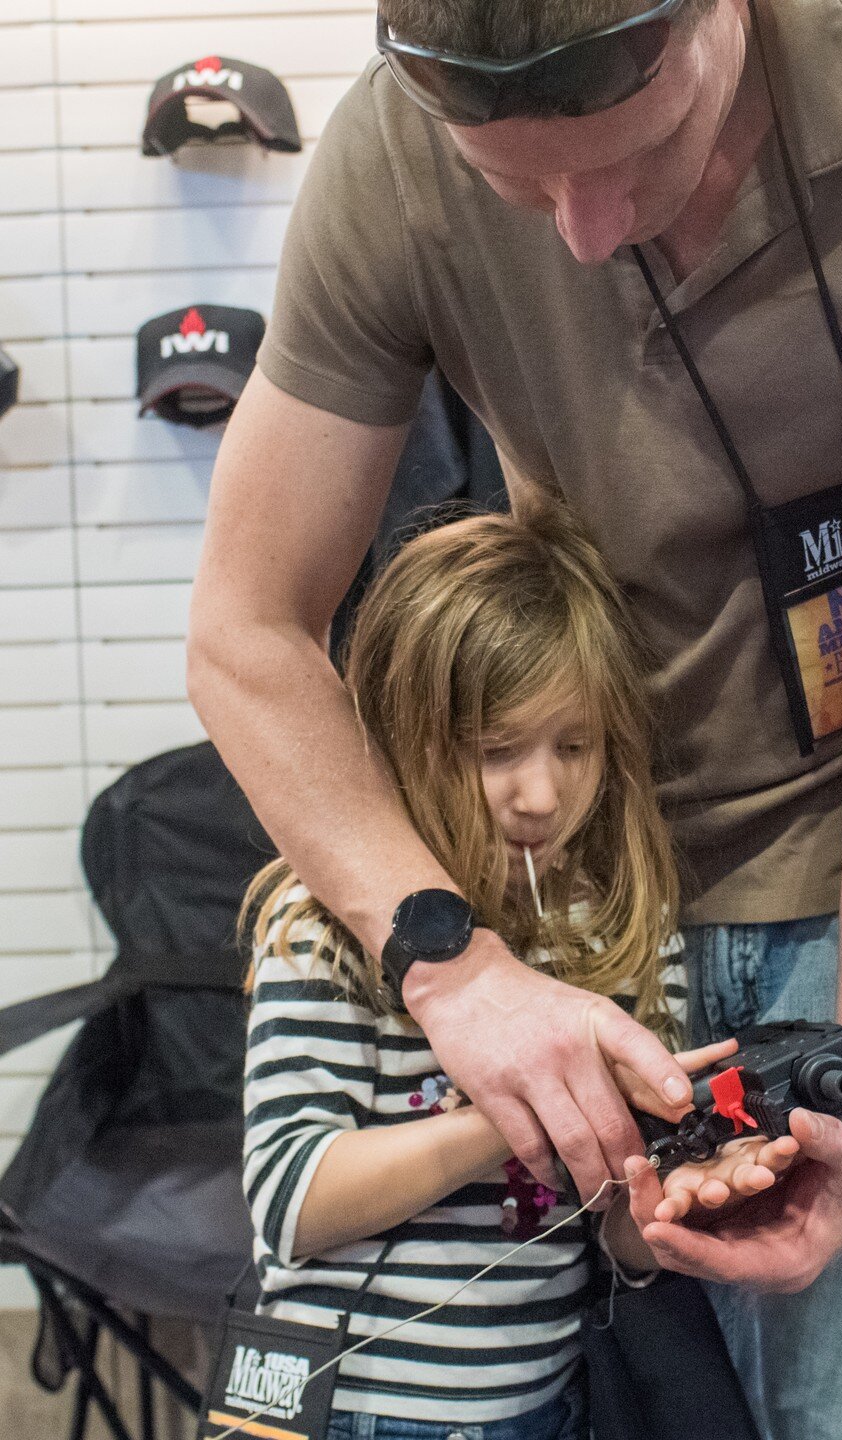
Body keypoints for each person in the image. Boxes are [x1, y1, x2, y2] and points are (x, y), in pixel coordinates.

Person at [188, 0, 842, 1434]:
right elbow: (247, 629)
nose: (583, 229)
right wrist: (457, 966)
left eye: (643, 150)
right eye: (517, 179)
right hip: (586, 893)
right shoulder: (393, 154)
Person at [240, 504, 799, 1440]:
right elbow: (291, 1200)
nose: (540, 795)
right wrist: (522, 1103)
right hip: (361, 1414)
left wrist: (674, 1199)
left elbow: (613, 1234)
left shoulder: (616, 927)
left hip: (544, 1402)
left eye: (573, 748)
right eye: (497, 751)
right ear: (403, 733)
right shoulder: (326, 922)